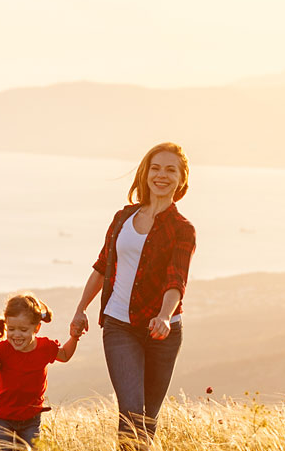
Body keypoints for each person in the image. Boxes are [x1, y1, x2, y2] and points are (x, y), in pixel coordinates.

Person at [68, 142, 196, 451]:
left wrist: (164, 316)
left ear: (181, 179)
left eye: (170, 170)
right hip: (119, 326)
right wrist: (81, 308)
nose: (161, 175)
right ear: (145, 173)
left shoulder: (183, 229)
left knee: (147, 420)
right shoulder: (122, 218)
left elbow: (176, 279)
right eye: (155, 168)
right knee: (131, 413)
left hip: (163, 332)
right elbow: (102, 266)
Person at [0, 293, 83, 450]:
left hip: (31, 419)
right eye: (11, 329)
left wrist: (74, 338)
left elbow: (65, 355)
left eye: (23, 330)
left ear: (36, 328)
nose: (16, 335)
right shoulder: (1, 350)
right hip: (2, 418)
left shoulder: (45, 347)